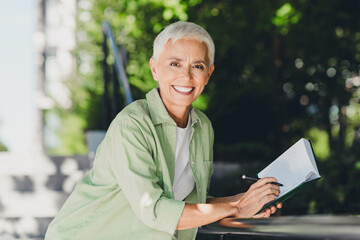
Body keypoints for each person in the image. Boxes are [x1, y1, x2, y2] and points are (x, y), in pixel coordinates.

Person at [45, 21, 281, 240]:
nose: (186, 76)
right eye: (175, 64)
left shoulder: (203, 127)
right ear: (155, 69)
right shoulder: (132, 125)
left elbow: (188, 202)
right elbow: (155, 209)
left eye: (197, 66)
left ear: (208, 74)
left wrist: (249, 199)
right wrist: (236, 207)